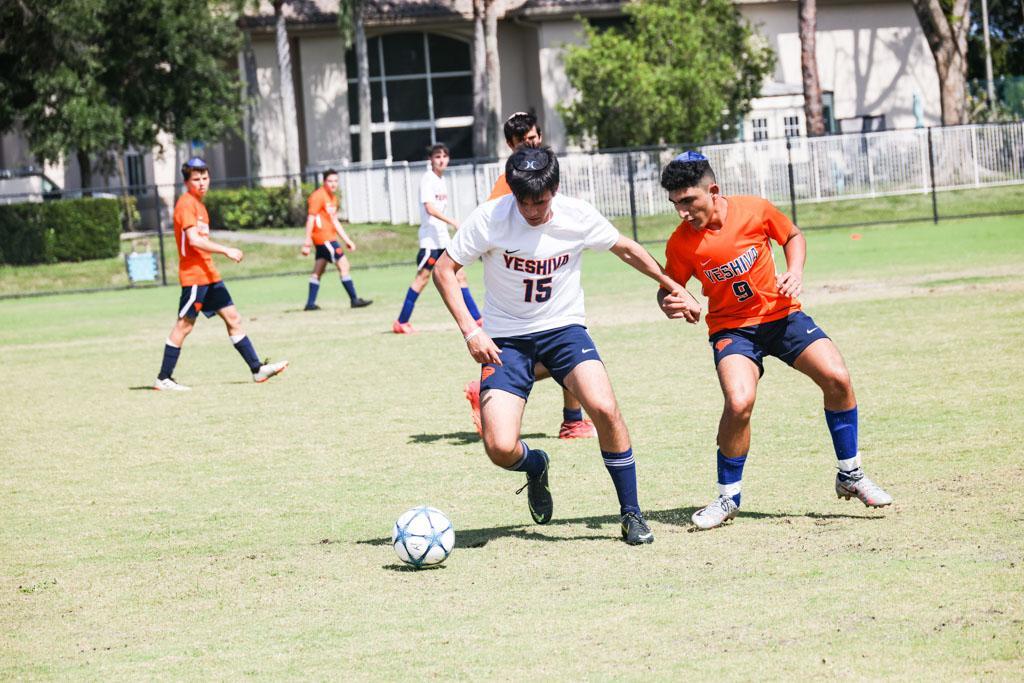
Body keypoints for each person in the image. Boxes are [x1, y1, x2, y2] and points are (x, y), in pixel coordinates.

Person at [432, 146, 701, 545]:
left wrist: (674, 286)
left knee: (605, 408)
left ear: (554, 190)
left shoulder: (577, 215)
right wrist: (472, 332)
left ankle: (631, 513)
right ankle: (535, 465)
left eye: (540, 201)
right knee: (500, 447)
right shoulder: (490, 218)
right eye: (523, 202)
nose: (531, 210)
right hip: (507, 340)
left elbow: (626, 249)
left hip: (564, 332)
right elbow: (443, 270)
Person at [657, 151, 892, 530]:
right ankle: (728, 497)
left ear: (713, 191)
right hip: (732, 329)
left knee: (837, 378)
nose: (682, 212)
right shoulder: (682, 243)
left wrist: (794, 271)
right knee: (739, 402)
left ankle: (850, 474)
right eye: (675, 204)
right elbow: (669, 287)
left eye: (688, 201)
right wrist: (672, 301)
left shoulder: (754, 210)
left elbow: (792, 235)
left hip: (782, 317)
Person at [464, 111, 597, 440]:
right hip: (523, 287)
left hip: (552, 278)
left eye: (535, 137)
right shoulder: (508, 184)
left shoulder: (545, 169)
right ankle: (497, 385)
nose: (531, 144)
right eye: (523, 141)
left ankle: (572, 420)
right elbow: (497, 230)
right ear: (510, 146)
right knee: (566, 351)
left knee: (570, 342)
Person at [153, 157, 288, 391]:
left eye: (205, 178)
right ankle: (163, 378)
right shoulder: (186, 204)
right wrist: (226, 250)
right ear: (186, 183)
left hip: (210, 275)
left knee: (233, 318)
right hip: (195, 277)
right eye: (196, 179)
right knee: (184, 326)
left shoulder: (200, 205)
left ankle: (256, 369)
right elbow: (194, 240)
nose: (202, 183)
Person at [392, 143, 481, 334]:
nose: (441, 160)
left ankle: (477, 319)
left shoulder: (441, 180)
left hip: (443, 240)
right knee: (422, 278)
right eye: (437, 156)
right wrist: (452, 221)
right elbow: (430, 209)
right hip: (430, 241)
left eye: (444, 156)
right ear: (430, 159)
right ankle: (401, 321)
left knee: (460, 275)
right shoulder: (428, 179)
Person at [301, 169, 372, 310]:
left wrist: (347, 240)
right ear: (324, 182)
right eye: (330, 181)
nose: (333, 184)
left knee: (318, 271)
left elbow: (334, 221)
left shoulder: (333, 198)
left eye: (335, 181)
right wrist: (307, 242)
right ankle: (354, 300)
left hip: (328, 238)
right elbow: (311, 219)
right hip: (324, 239)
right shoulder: (318, 196)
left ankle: (310, 304)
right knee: (344, 265)